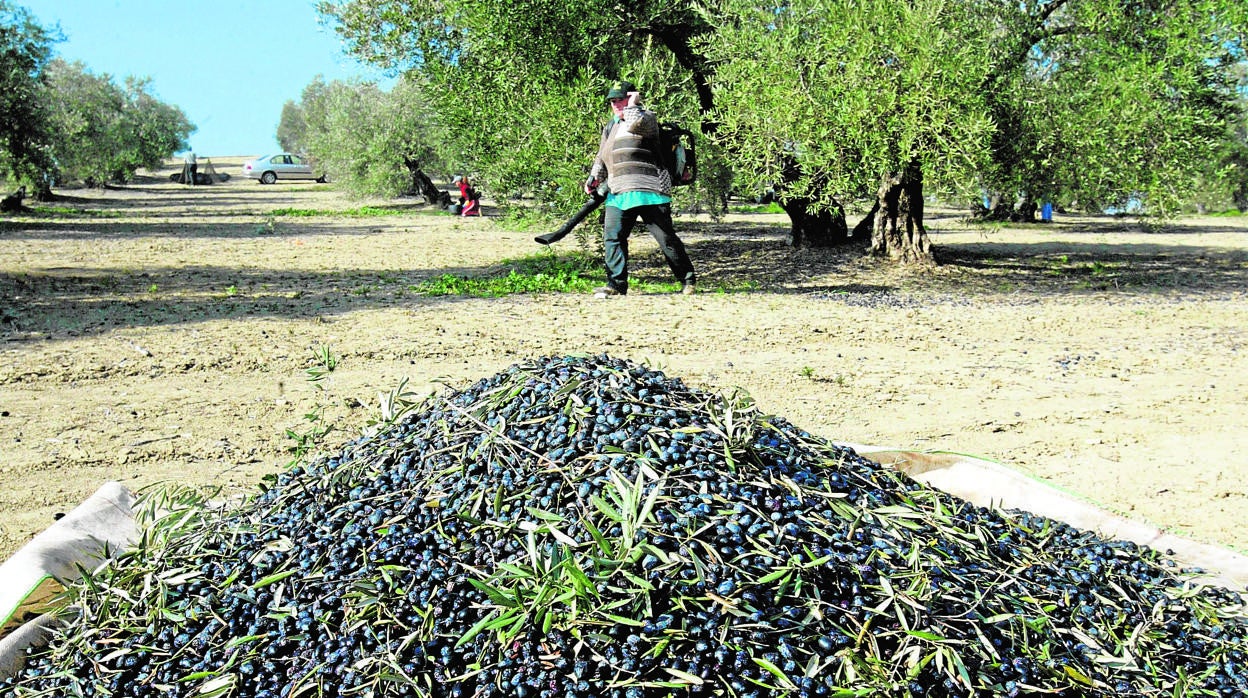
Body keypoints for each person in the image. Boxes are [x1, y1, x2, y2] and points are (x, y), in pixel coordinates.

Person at [584, 80, 696, 297]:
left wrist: (634, 103)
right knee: (613, 237)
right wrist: (594, 176)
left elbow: (636, 123)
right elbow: (603, 154)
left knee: (666, 239)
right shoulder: (611, 126)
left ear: (631, 98)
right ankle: (616, 285)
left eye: (621, 99)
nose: (616, 104)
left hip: (650, 190)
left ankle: (688, 280)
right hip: (619, 191)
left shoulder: (646, 118)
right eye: (613, 101)